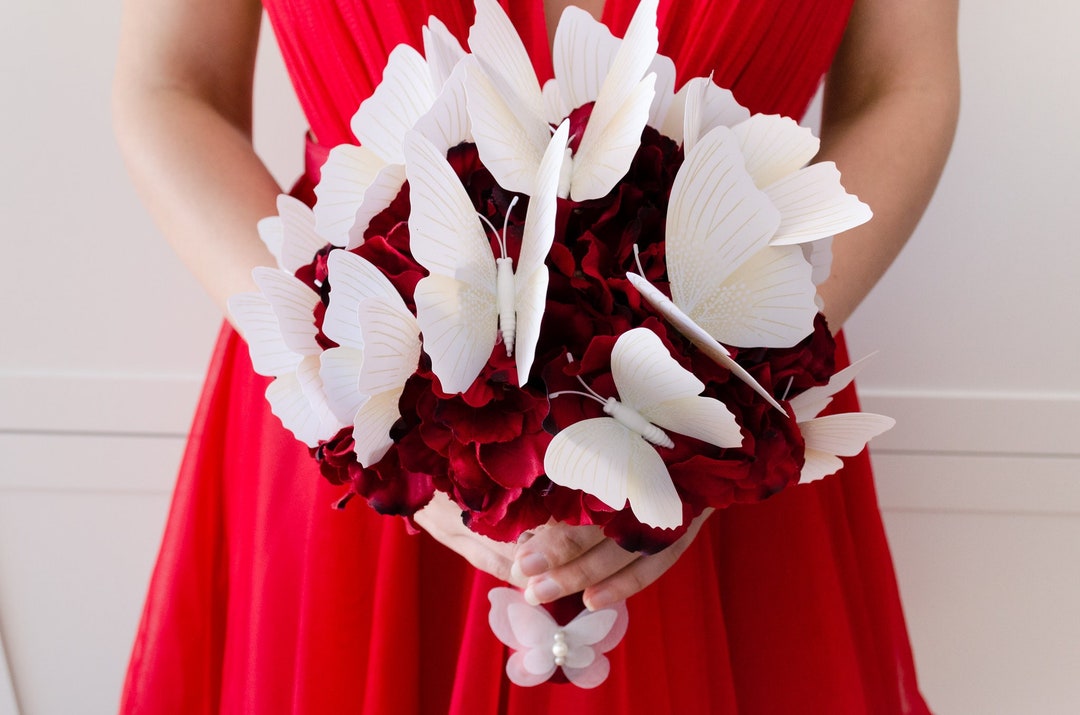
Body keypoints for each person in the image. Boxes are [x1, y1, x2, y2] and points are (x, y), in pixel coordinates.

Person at [113, 0, 959, 712]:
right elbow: (170, 84)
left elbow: (903, 82)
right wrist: (357, 399)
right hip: (357, 431)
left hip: (736, 440)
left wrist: (726, 404)